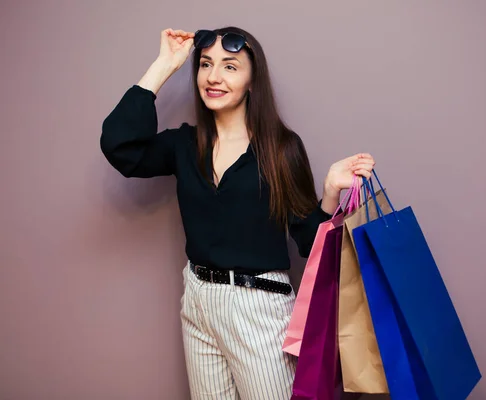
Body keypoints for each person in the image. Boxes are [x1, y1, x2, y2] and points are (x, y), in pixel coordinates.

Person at [100, 26, 375, 400]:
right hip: (198, 299)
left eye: (230, 67)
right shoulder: (186, 144)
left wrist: (329, 193)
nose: (213, 77)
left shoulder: (281, 150)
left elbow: (310, 245)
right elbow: (121, 147)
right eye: (206, 65)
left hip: (258, 306)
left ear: (251, 80)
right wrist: (165, 65)